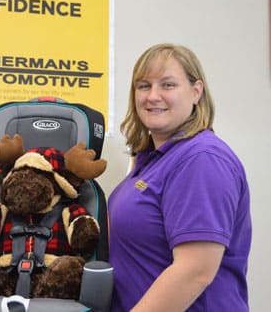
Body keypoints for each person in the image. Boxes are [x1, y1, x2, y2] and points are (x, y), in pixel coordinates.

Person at [107, 43, 251, 311]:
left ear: (196, 91)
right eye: (144, 86)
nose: (153, 96)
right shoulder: (153, 159)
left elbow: (194, 272)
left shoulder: (201, 159)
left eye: (168, 85)